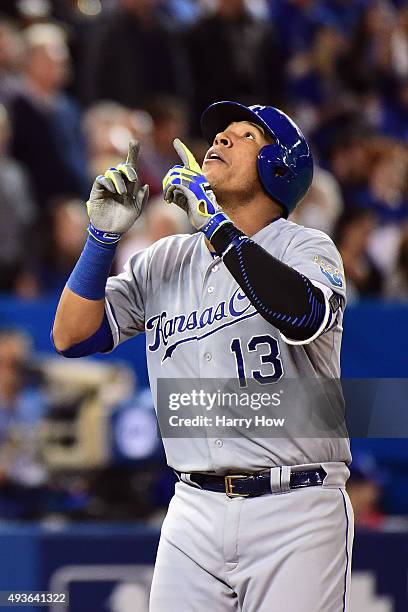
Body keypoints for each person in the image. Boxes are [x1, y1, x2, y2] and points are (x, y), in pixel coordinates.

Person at [52, 101, 353, 611]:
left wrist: (216, 227)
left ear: (278, 166)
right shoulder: (167, 258)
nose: (220, 139)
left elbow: (302, 315)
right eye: (219, 133)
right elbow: (72, 336)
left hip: (296, 506)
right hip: (193, 507)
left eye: (244, 135)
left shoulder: (307, 247)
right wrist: (102, 239)